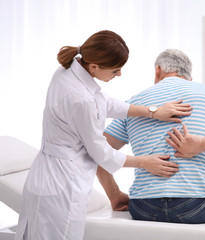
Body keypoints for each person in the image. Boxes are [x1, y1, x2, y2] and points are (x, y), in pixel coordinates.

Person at [15, 32, 192, 240]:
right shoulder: (79, 98)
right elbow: (102, 153)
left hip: (44, 177)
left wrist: (152, 111)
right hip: (61, 185)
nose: (119, 75)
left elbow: (104, 103)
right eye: (116, 70)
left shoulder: (70, 70)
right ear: (94, 67)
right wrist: (145, 162)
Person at [97, 48, 205, 224]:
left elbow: (99, 152)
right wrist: (202, 144)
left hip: (143, 206)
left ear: (157, 70)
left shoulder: (133, 104)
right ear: (190, 77)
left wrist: (114, 195)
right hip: (197, 205)